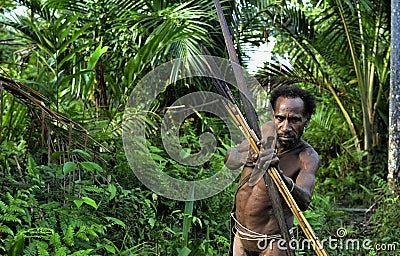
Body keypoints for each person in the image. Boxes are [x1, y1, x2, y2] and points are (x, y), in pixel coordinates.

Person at [225, 85, 320, 256]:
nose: (285, 127)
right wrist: (249, 158)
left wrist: (279, 176)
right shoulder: (265, 131)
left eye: (294, 120)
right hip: (241, 237)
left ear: (307, 119)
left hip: (273, 243)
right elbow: (230, 158)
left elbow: (304, 200)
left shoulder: (306, 156)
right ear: (273, 116)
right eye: (280, 118)